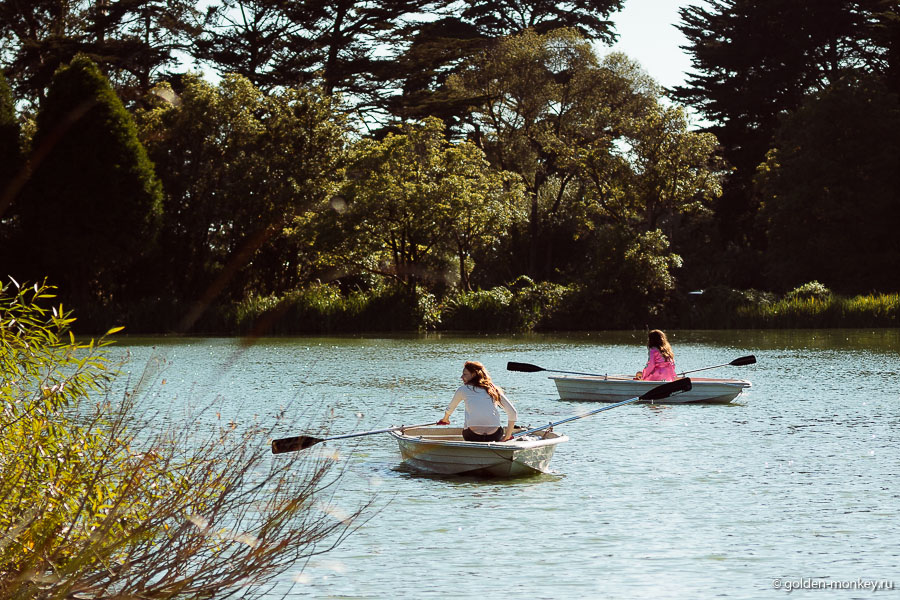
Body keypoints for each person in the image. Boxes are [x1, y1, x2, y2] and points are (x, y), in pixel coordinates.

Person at [437, 361, 518, 442]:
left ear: (473, 375)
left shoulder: (463, 389)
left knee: (466, 426)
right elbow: (513, 412)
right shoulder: (493, 390)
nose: (461, 377)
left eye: (465, 374)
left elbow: (450, 409)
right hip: (494, 435)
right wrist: (507, 435)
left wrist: (445, 419)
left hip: (473, 435)